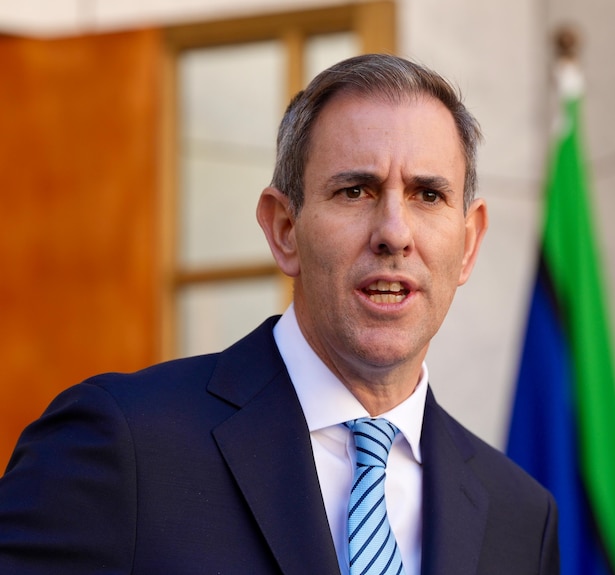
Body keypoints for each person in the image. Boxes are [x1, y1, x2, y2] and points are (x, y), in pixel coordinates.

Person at [0, 54, 559, 574]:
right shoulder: (124, 446)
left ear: (469, 243)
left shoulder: (520, 517)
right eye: (356, 191)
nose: (394, 232)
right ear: (284, 229)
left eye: (428, 195)